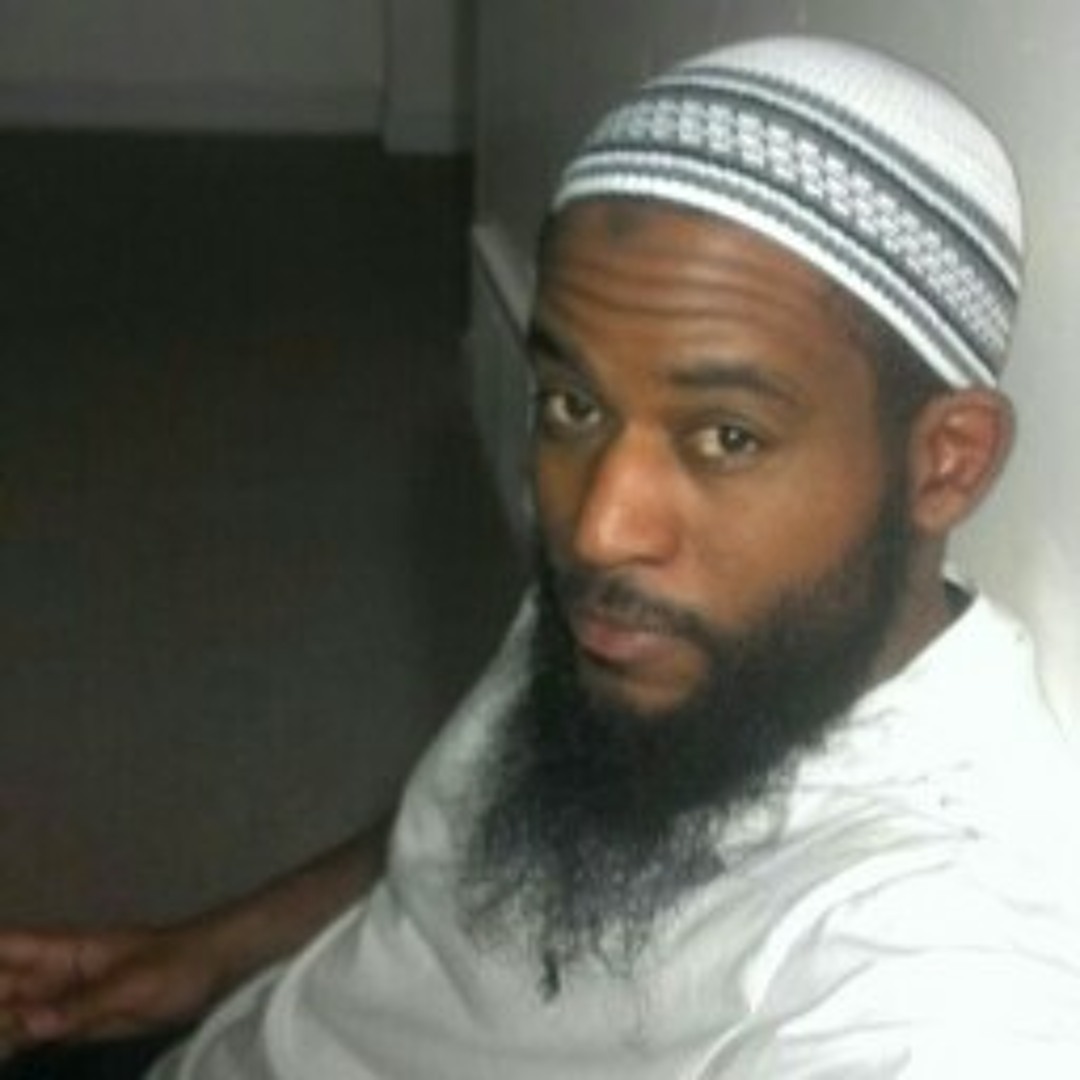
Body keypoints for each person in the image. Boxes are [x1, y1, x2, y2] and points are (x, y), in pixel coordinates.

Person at [5, 34, 1080, 1078]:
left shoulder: (938, 947)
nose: (597, 526)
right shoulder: (676, 621)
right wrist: (191, 963)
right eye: (572, 402)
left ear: (945, 462)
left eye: (727, 436)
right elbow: (460, 830)